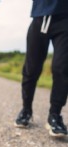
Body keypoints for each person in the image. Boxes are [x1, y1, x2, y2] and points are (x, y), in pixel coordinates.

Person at [15, 0, 68, 137]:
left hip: (65, 19)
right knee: (31, 69)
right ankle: (26, 110)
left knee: (62, 68)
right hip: (39, 18)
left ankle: (55, 116)